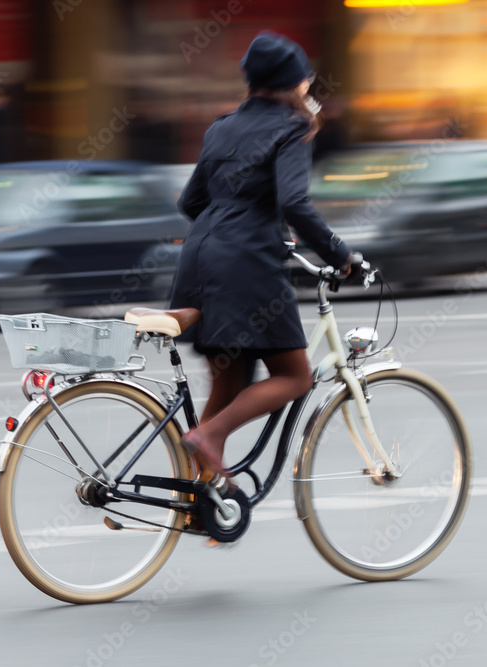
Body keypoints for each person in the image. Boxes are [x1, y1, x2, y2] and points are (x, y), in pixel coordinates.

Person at [170, 31, 358, 478]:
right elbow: (295, 203)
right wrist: (339, 254)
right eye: (305, 80)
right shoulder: (293, 127)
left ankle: (204, 500)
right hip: (246, 265)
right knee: (296, 377)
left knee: (230, 381)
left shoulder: (222, 126)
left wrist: (235, 220)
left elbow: (189, 203)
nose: (308, 87)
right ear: (293, 83)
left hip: (200, 259)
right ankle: (207, 438)